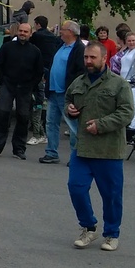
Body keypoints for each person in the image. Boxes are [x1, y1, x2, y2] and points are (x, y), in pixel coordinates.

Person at [65, 41, 135, 251]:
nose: (88, 61)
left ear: (104, 58)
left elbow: (126, 113)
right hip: (83, 148)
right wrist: (70, 110)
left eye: (92, 57)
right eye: (86, 57)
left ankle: (112, 234)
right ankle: (88, 227)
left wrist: (101, 125)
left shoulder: (118, 84)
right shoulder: (78, 82)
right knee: (75, 187)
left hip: (108, 149)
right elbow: (67, 101)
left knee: (111, 195)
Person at [0, 20, 46, 160]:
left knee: (23, 118)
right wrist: (2, 80)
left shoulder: (35, 51)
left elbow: (39, 71)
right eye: (21, 31)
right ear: (17, 32)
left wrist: (32, 85)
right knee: (1, 115)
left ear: (30, 34)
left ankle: (19, 149)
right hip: (8, 86)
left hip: (25, 89)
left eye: (26, 31)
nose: (23, 33)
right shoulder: (7, 47)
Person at [41, 21, 86, 164]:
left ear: (71, 32)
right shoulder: (61, 46)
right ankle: (51, 152)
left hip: (67, 93)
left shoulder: (79, 49)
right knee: (51, 123)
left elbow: (80, 72)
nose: (60, 32)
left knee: (72, 126)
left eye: (63, 30)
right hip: (54, 91)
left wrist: (73, 90)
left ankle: (76, 156)